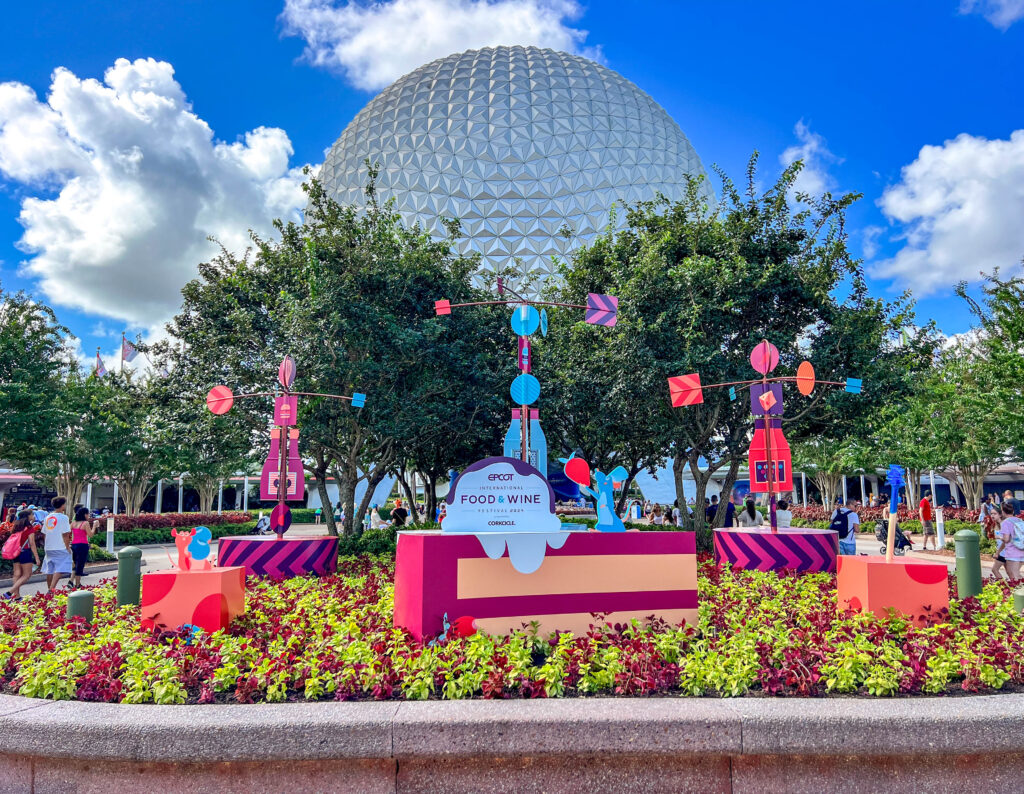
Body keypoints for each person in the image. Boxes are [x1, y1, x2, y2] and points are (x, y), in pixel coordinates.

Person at [2, 510, 41, 600]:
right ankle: (9, 592)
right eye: (32, 514)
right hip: (25, 552)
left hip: (16, 552)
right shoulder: (29, 527)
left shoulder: (17, 525)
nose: (33, 516)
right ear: (28, 516)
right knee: (27, 575)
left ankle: (17, 596)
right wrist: (36, 557)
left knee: (17, 574)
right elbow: (32, 543)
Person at [41, 497, 72, 591]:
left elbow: (44, 533)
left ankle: (49, 589)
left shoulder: (48, 517)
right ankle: (51, 589)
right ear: (62, 505)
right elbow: (66, 534)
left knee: (50, 570)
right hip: (60, 546)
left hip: (49, 547)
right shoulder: (64, 517)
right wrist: (67, 547)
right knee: (61, 568)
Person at [990, 501, 1024, 581]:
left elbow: (1006, 539)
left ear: (1002, 512)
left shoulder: (1006, 522)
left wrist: (999, 537)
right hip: (1022, 549)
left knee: (1014, 574)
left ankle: (1019, 591)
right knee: (1015, 574)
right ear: (1012, 511)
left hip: (1012, 552)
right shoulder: (1019, 520)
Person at [69, 507, 95, 589]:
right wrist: (94, 526)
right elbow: (90, 534)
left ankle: (73, 581)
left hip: (74, 544)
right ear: (85, 514)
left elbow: (68, 533)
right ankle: (78, 583)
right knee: (80, 564)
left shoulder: (73, 523)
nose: (89, 516)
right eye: (88, 514)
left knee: (76, 562)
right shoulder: (85, 523)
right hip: (83, 545)